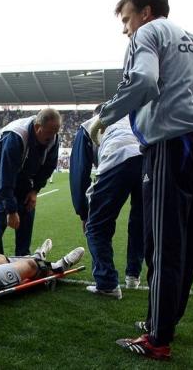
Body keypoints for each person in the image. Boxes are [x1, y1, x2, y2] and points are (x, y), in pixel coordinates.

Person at [90, 0, 193, 359]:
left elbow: (145, 81)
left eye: (127, 18)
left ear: (145, 12)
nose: (125, 28)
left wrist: (105, 115)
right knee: (186, 236)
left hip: (172, 140)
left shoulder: (148, 32)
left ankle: (158, 338)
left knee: (163, 240)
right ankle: (164, 320)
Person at [69, 105, 144, 299]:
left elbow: (80, 173)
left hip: (118, 157)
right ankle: (133, 276)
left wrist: (83, 213)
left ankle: (107, 282)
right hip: (147, 158)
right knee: (140, 222)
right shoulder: (131, 117)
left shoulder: (89, 125)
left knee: (96, 226)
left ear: (97, 115)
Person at [0, 108, 61, 256]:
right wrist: (12, 211)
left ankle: (22, 255)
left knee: (28, 208)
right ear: (37, 127)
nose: (52, 137)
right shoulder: (15, 137)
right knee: (0, 215)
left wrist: (35, 191)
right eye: (49, 133)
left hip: (22, 171)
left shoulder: (52, 138)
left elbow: (48, 167)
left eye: (55, 132)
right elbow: (5, 177)